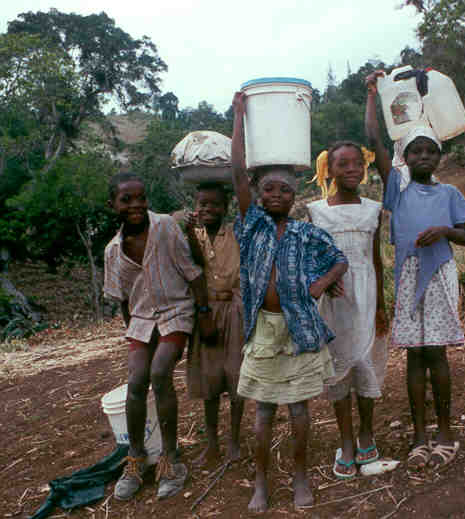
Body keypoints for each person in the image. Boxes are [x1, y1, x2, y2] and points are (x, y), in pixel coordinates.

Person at [231, 92, 348, 511]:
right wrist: (239, 118)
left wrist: (321, 284)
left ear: (295, 195)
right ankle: (260, 482)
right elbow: (237, 173)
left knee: (299, 408)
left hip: (300, 330)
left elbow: (340, 259)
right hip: (263, 328)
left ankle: (300, 476)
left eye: (284, 189)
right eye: (268, 189)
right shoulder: (252, 227)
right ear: (259, 195)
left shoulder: (306, 233)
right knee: (263, 410)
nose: (276, 194)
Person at [365, 72, 465, 471]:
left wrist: (445, 230)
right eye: (416, 152)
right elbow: (375, 143)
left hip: (441, 274)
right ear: (406, 158)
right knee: (415, 356)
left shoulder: (450, 194)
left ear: (438, 157)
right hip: (409, 277)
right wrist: (373, 96)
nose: (423, 157)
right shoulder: (398, 189)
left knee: (437, 354)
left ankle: (444, 431)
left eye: (430, 151)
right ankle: (418, 435)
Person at [103, 172, 214, 500]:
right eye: (127, 200)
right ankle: (135, 458)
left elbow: (192, 273)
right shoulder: (113, 251)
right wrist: (133, 334)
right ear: (113, 206)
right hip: (140, 320)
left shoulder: (164, 227)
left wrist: (204, 314)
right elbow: (124, 301)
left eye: (141, 197)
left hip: (176, 312)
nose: (136, 205)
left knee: (160, 372)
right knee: (136, 380)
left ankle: (170, 458)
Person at [307, 142, 388, 479]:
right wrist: (325, 280)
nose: (352, 169)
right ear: (330, 170)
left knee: (365, 362)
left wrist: (382, 305)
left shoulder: (373, 209)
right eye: (343, 164)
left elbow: (376, 260)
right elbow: (311, 258)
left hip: (367, 296)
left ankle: (366, 433)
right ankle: (346, 440)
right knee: (338, 366)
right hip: (334, 301)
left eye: (357, 163)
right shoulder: (316, 211)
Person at [180, 182, 245, 465]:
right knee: (210, 379)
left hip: (234, 309)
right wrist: (185, 224)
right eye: (202, 204)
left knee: (236, 376)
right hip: (205, 311)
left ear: (225, 207)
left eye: (215, 204)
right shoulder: (189, 234)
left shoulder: (234, 232)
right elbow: (194, 260)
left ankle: (235, 441)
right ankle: (212, 443)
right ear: (195, 206)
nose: (208, 209)